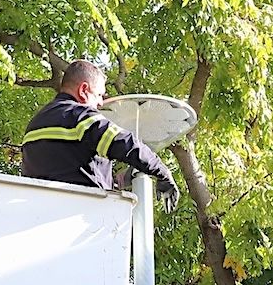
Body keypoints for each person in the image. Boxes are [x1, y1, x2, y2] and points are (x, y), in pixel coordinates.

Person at [21, 59, 180, 210]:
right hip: (84, 216)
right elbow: (123, 142)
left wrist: (121, 180)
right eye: (99, 95)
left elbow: (67, 171)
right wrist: (162, 172)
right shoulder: (79, 116)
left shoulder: (34, 124)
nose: (100, 103)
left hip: (41, 214)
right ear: (83, 90)